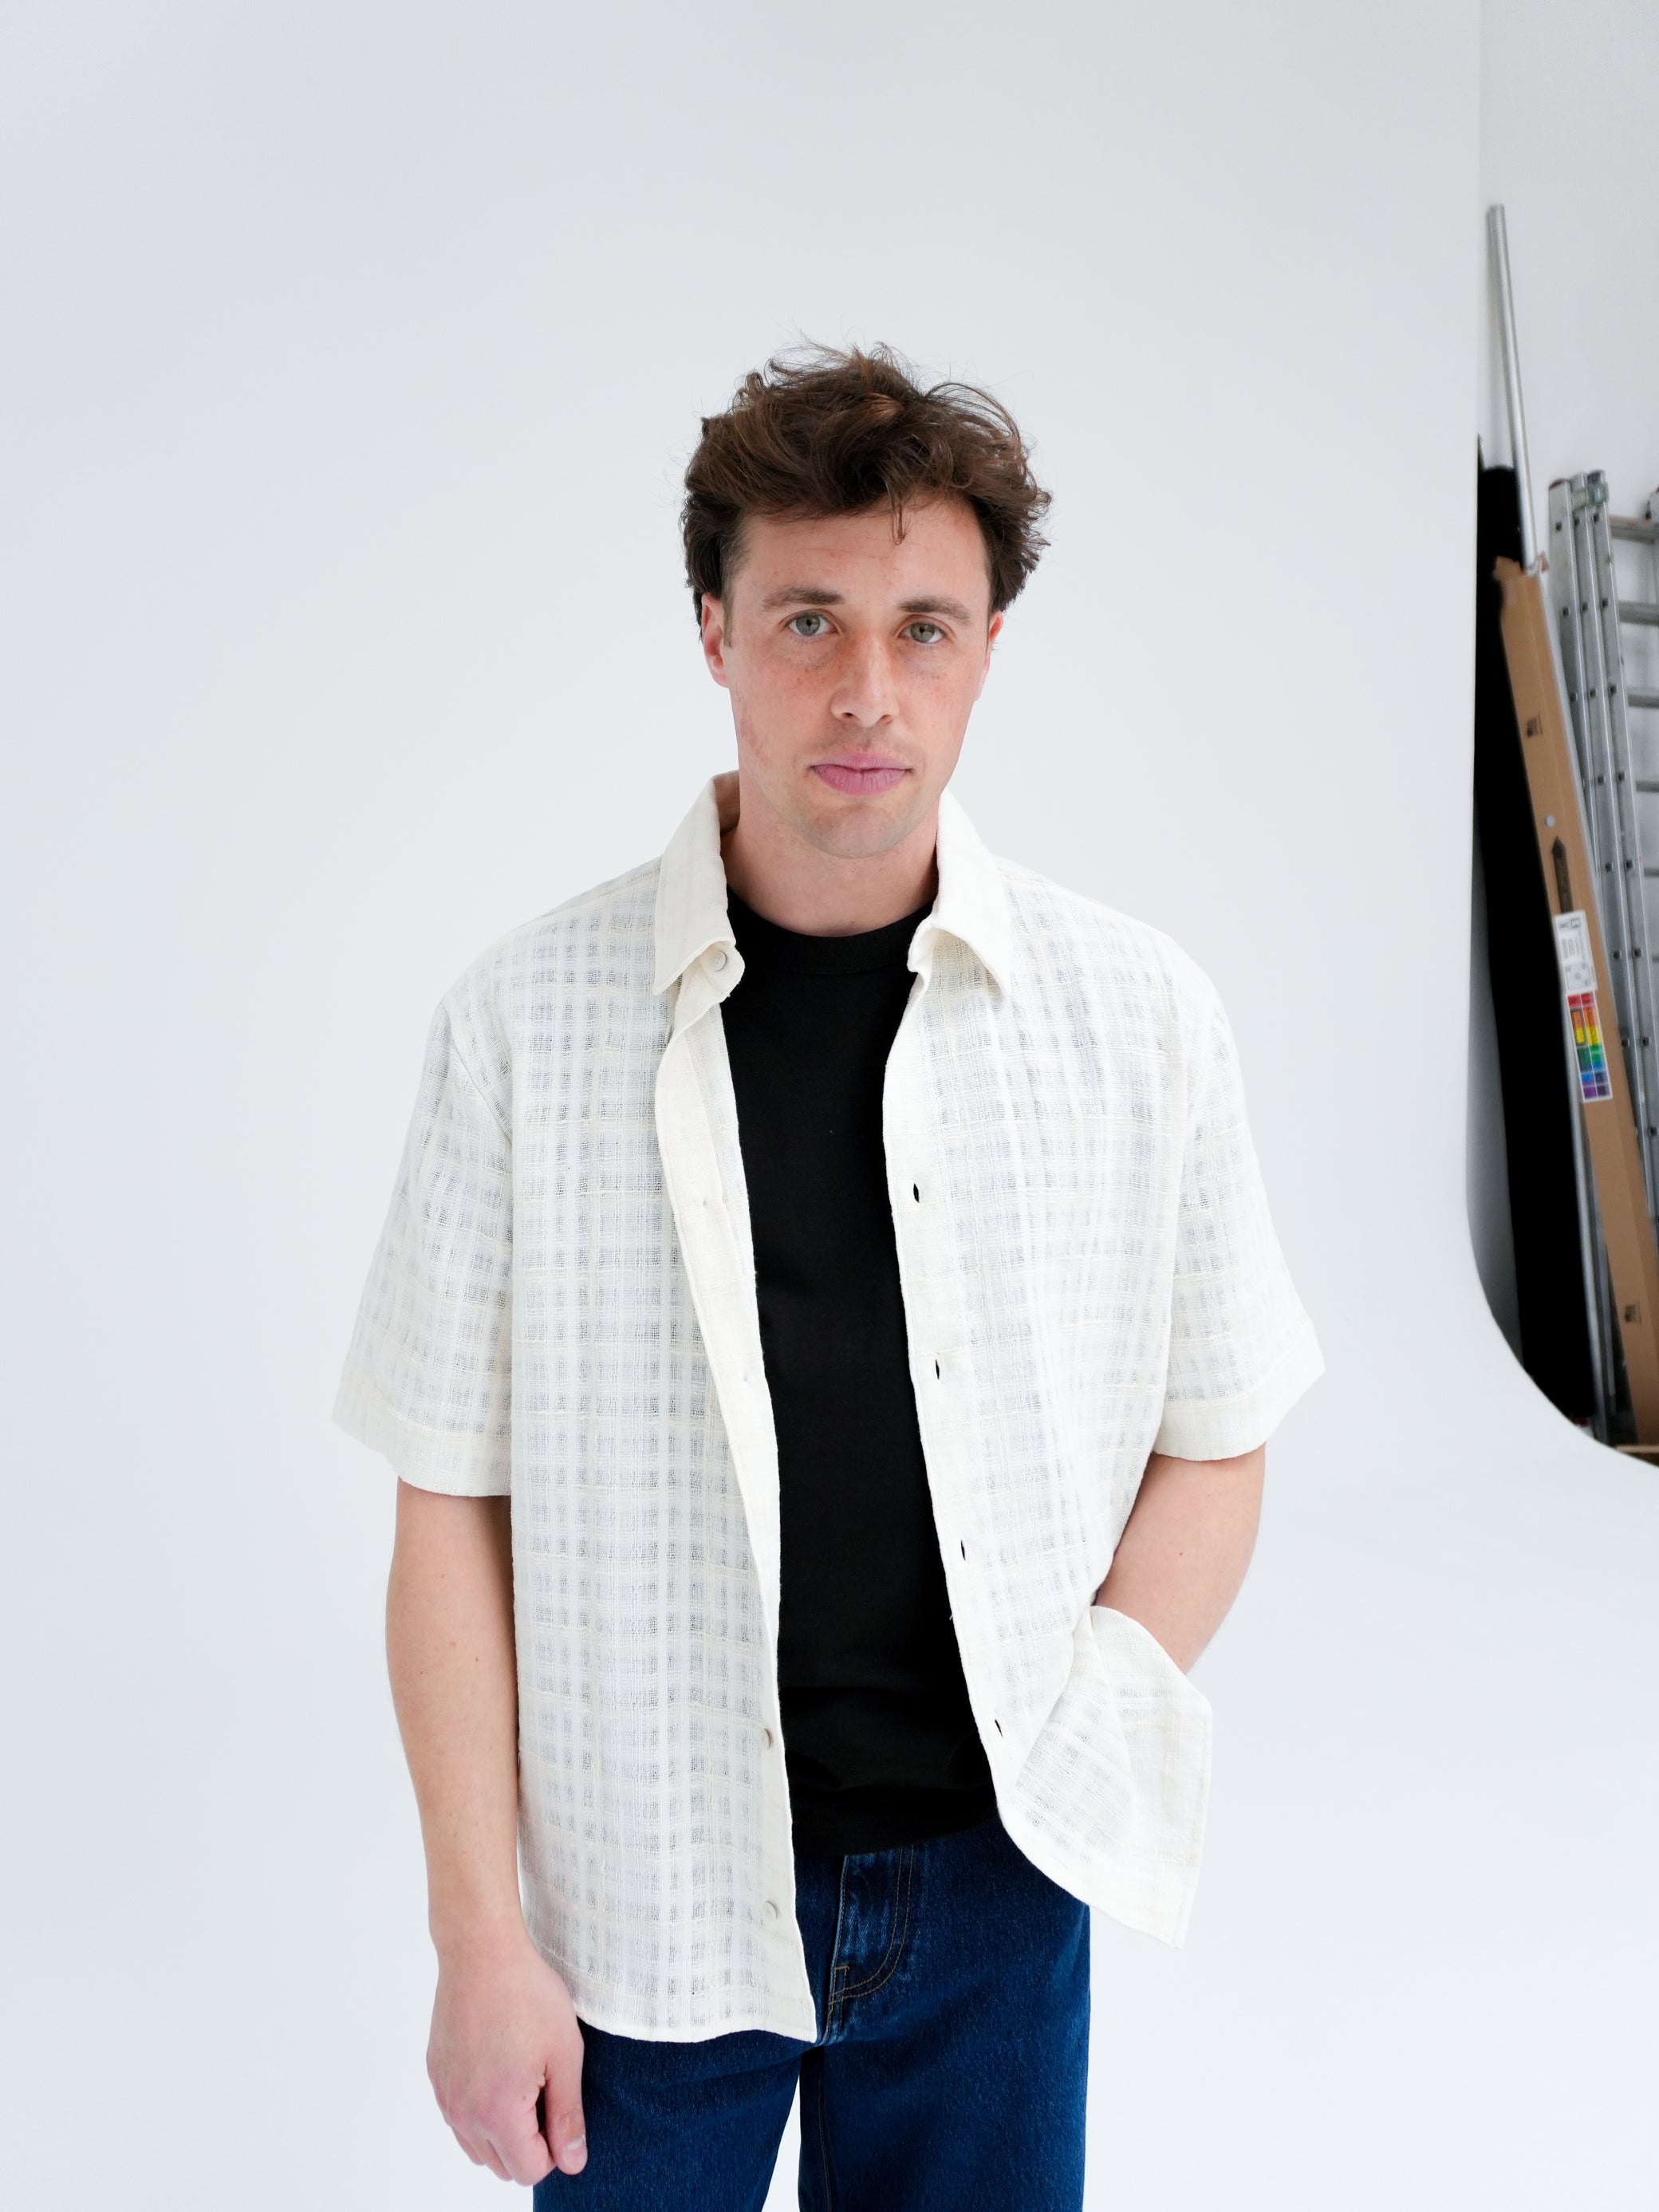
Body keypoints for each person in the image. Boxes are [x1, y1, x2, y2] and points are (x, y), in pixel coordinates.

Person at [333, 344, 1323, 2210]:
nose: (866, 689)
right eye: (806, 621)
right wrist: (477, 1934)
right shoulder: (520, 1028)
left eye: (921, 628)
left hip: (992, 1894)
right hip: (642, 1904)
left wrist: (1088, 1715)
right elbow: (444, 1501)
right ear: (712, 630)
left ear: (985, 650)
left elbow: (1221, 1427)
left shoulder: (1139, 1019)